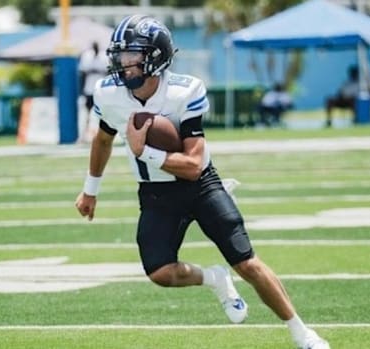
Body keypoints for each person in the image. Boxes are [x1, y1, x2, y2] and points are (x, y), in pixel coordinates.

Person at [75, 15, 330, 349]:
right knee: (159, 272)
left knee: (247, 262)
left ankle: (302, 333)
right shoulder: (109, 94)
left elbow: (194, 165)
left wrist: (144, 150)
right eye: (120, 58)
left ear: (155, 56)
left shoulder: (185, 90)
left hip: (200, 186)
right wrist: (90, 190)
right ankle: (215, 279)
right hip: (155, 191)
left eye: (131, 57)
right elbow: (103, 140)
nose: (123, 66)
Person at [78, 41, 108, 142]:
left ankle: (103, 136)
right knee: (87, 113)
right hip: (89, 89)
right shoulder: (87, 56)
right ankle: (83, 136)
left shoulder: (104, 56)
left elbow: (107, 71)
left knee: (104, 114)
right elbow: (83, 71)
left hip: (101, 89)